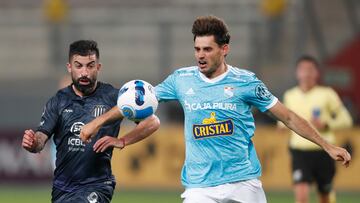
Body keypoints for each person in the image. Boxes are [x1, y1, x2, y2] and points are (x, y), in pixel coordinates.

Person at [80, 16, 351, 203]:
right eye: (197, 48)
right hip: (200, 186)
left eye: (207, 49)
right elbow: (137, 101)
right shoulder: (181, 79)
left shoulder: (246, 82)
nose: (200, 55)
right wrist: (97, 124)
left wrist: (327, 145)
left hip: (243, 181)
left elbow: (288, 116)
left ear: (224, 49)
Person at [21, 40, 160, 203]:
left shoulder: (113, 97)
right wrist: (32, 143)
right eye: (79, 66)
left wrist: (122, 140)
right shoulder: (58, 101)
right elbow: (40, 140)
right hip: (62, 188)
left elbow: (152, 122)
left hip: (98, 185)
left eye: (90, 66)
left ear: (98, 67)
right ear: (69, 68)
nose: (84, 72)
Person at [279, 55, 353, 203]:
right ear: (297, 73)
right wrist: (280, 126)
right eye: (303, 69)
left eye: (310, 69)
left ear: (317, 73)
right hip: (299, 151)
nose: (306, 73)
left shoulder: (327, 94)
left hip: (324, 151)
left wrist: (327, 124)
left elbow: (346, 120)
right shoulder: (290, 95)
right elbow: (286, 119)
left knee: (325, 196)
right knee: (301, 196)